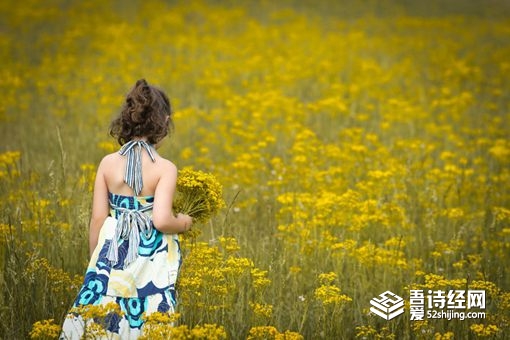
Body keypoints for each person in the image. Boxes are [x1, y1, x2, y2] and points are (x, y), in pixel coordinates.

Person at [60, 79, 193, 339]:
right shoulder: (164, 168)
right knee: (147, 313)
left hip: (110, 252)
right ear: (164, 122)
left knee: (101, 310)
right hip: (148, 260)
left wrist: (95, 265)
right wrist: (186, 222)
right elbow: (162, 220)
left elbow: (98, 219)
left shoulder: (108, 163)